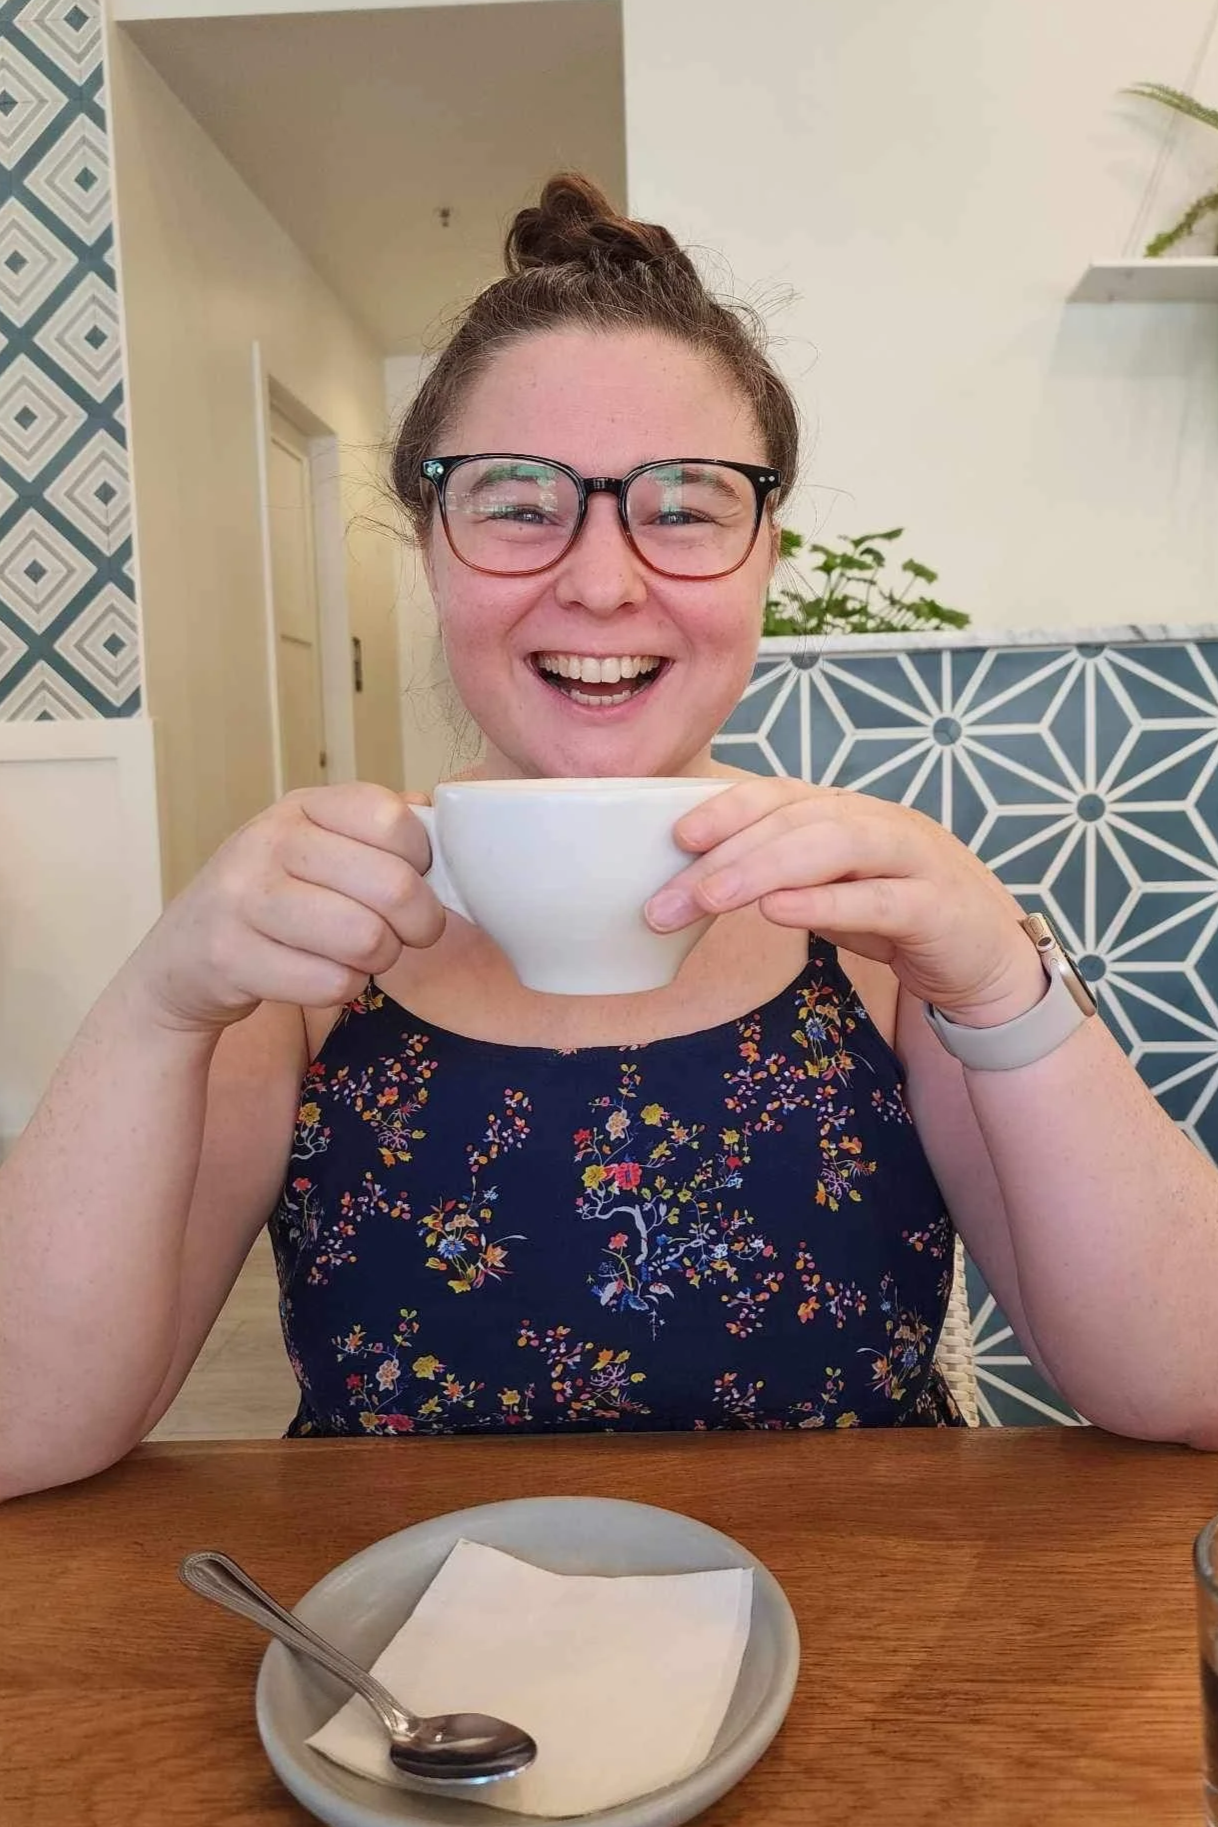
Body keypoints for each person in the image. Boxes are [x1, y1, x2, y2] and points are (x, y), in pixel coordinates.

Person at [3, 176, 1217, 1501]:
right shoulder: (311, 949)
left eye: (684, 504)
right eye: (518, 502)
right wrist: (160, 1000)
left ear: (764, 554)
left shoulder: (875, 929)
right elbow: (25, 1425)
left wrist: (1001, 981)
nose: (597, 577)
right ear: (430, 543)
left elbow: (1184, 1377)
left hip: (859, 1657)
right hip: (403, 1670)